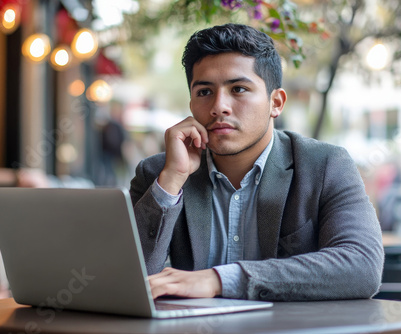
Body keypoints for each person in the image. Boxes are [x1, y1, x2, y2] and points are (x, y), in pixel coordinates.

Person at [129, 23, 384, 301]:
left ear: (276, 102)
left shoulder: (325, 165)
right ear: (191, 103)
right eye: (204, 92)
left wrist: (217, 280)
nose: (219, 106)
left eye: (238, 89)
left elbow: (361, 267)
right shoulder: (159, 173)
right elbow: (126, 278)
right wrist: (171, 182)